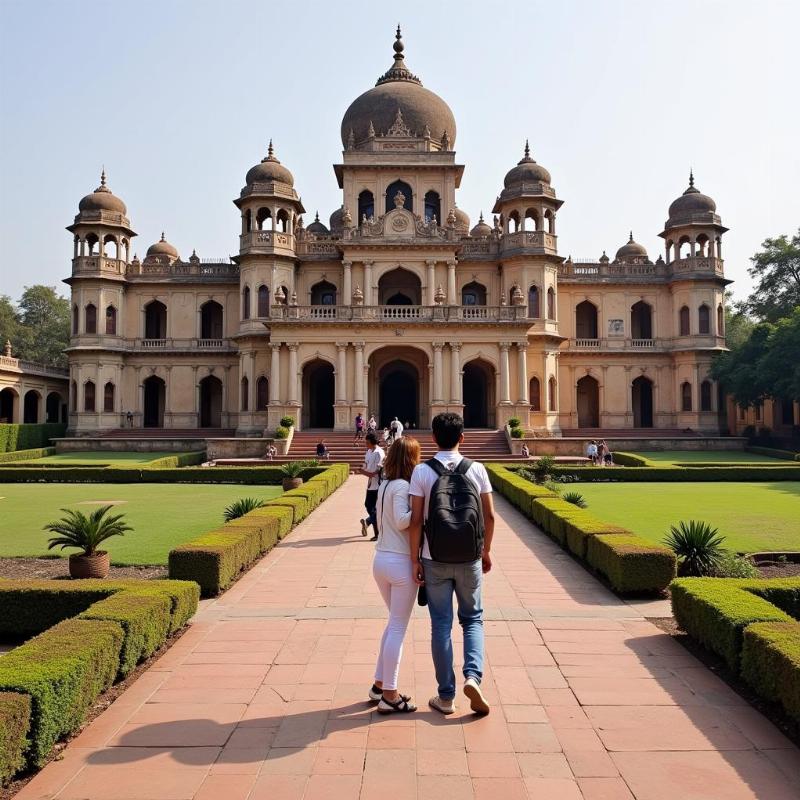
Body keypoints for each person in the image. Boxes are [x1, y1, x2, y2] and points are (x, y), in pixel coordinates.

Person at [409, 412, 495, 716]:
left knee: (441, 625)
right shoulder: (477, 469)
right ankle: (473, 677)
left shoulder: (421, 472)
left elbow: (417, 520)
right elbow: (490, 516)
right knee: (473, 620)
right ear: (462, 437)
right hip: (470, 556)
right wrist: (485, 551)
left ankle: (446, 697)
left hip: (435, 558)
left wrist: (415, 558)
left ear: (432, 437)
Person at [369, 436, 422, 713]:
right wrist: (421, 510)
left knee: (393, 624)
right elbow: (403, 521)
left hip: (381, 560)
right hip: (400, 563)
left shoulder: (386, 484)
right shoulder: (402, 486)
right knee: (398, 627)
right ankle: (390, 694)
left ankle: (378, 684)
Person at [360, 432, 385, 540]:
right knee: (369, 506)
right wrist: (362, 468)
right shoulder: (369, 451)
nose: (366, 444)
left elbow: (376, 472)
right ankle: (370, 523)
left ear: (372, 442)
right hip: (371, 484)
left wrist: (362, 472)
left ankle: (372, 526)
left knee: (374, 508)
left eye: (367, 442)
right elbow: (366, 464)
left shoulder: (379, 453)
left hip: (378, 484)